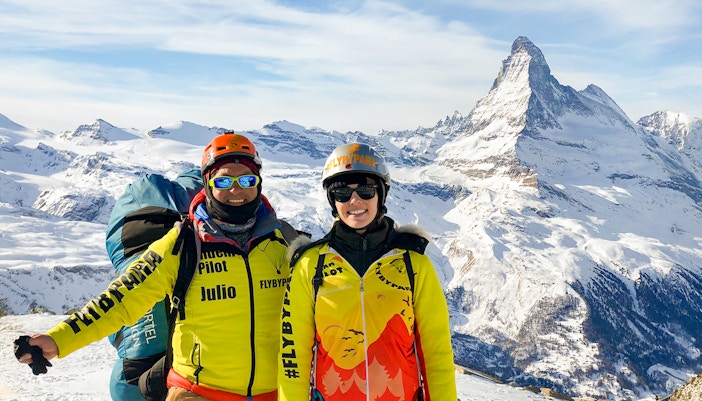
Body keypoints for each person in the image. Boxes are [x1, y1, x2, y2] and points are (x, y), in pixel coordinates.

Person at [17, 132, 299, 401]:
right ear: (208, 183)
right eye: (224, 182)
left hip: (276, 393)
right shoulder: (181, 244)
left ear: (259, 182)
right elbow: (119, 300)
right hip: (197, 392)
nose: (237, 190)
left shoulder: (286, 243)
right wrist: (58, 340)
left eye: (247, 180)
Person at [278, 143, 457, 400]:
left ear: (380, 195)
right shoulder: (310, 265)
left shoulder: (413, 264)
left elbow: (436, 351)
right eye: (341, 192)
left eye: (366, 190)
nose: (354, 200)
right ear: (332, 200)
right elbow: (292, 354)